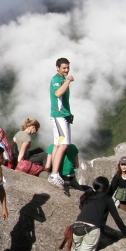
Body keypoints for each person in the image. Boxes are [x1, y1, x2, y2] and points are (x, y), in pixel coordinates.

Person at [52, 176, 126, 251]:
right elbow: (117, 219)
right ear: (107, 188)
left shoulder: (88, 195)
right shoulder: (107, 198)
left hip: (77, 227)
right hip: (91, 230)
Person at [48, 57, 74, 187]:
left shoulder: (62, 79)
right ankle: (54, 174)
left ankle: (54, 173)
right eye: (64, 68)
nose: (67, 70)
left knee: (58, 144)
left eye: (68, 67)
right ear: (57, 68)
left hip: (63, 115)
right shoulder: (57, 79)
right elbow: (58, 93)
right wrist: (68, 81)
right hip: (59, 116)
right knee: (63, 145)